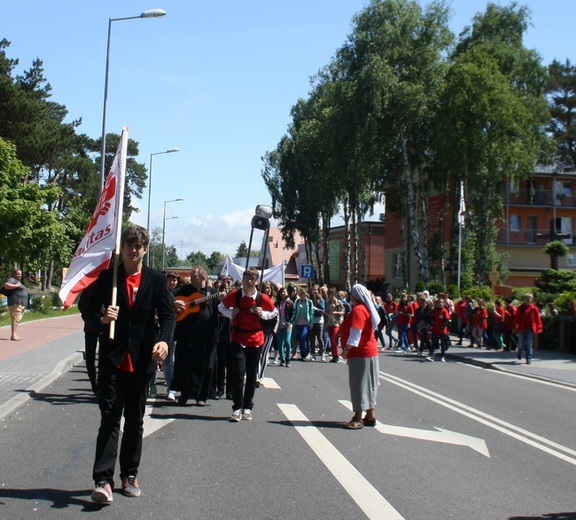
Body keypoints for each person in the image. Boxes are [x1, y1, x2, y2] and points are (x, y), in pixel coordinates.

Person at [81, 225, 175, 504]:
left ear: (145, 249)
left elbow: (167, 316)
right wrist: (102, 318)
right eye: (129, 245)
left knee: (134, 421)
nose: (134, 250)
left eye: (139, 245)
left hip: (142, 361)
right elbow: (86, 309)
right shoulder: (108, 278)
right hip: (113, 359)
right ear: (122, 248)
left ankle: (129, 475)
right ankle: (102, 479)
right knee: (109, 420)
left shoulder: (156, 280)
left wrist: (165, 342)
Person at [218, 267, 277, 422]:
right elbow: (221, 307)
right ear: (243, 280)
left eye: (252, 279)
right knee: (238, 373)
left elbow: (274, 312)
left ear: (257, 282)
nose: (249, 282)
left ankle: (248, 406)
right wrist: (231, 313)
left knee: (252, 376)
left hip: (256, 339)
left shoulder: (262, 298)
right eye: (247, 278)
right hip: (238, 338)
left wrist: (262, 313)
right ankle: (237, 407)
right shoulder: (235, 296)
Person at [172, 266, 221, 406]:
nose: (191, 277)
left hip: (207, 336)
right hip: (187, 334)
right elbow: (172, 297)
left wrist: (223, 300)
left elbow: (221, 310)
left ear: (203, 278)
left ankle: (202, 396)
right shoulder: (184, 290)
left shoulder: (213, 293)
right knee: (185, 364)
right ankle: (184, 394)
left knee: (206, 366)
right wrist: (176, 303)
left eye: (194, 276)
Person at [340, 284, 380, 430]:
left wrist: (345, 350)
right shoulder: (366, 308)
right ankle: (370, 415)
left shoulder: (358, 310)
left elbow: (356, 333)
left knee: (359, 385)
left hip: (360, 353)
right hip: (369, 351)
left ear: (354, 296)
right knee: (370, 385)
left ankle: (357, 417)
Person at [164, 272, 182, 401]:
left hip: (172, 332)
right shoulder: (162, 292)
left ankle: (171, 389)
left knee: (169, 361)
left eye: (174, 281)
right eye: (170, 280)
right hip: (157, 330)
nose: (172, 283)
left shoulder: (179, 294)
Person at [514, 293, 543, 365]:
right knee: (520, 344)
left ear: (531, 299)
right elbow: (516, 318)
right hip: (522, 328)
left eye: (529, 298)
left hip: (530, 329)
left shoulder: (534, 309)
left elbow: (538, 319)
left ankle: (528, 358)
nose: (528, 299)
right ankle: (519, 353)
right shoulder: (521, 308)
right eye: (526, 298)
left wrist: (539, 328)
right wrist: (514, 326)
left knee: (529, 344)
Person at [3, 269, 28, 341]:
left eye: (20, 274)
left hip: (20, 303)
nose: (20, 275)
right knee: (15, 319)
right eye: (18, 274)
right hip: (15, 303)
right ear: (14, 274)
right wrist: (16, 286)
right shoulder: (13, 280)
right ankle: (13, 335)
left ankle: (15, 334)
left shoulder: (18, 281)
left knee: (17, 319)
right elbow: (6, 285)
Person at [427, 297, 451, 362]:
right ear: (436, 304)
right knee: (434, 343)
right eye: (439, 303)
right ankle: (432, 355)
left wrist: (443, 327)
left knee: (443, 343)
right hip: (435, 329)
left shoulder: (444, 311)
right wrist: (431, 323)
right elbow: (432, 318)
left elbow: (446, 320)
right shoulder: (435, 311)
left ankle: (443, 356)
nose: (440, 304)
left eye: (442, 303)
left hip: (442, 330)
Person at [275, 286, 294, 367]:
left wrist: (289, 322)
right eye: (281, 292)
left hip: (287, 325)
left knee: (287, 341)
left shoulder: (290, 302)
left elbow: (293, 313)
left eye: (284, 292)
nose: (283, 293)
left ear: (287, 293)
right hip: (279, 325)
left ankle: (288, 359)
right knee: (280, 343)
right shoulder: (277, 303)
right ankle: (282, 360)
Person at [293, 288, 314, 361]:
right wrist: (293, 322)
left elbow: (311, 313)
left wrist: (311, 324)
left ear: (306, 294)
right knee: (300, 339)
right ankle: (303, 354)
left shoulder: (309, 302)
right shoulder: (297, 301)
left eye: (303, 294)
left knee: (303, 337)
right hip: (298, 322)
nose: (302, 295)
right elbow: (294, 312)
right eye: (301, 294)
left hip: (306, 322)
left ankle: (305, 353)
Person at [325, 287, 345, 362]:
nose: (331, 295)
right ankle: (334, 355)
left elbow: (343, 312)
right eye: (330, 294)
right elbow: (326, 311)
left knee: (334, 339)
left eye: (332, 293)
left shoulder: (338, 302)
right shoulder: (327, 303)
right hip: (330, 323)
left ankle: (336, 355)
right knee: (331, 340)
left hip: (336, 323)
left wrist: (336, 313)